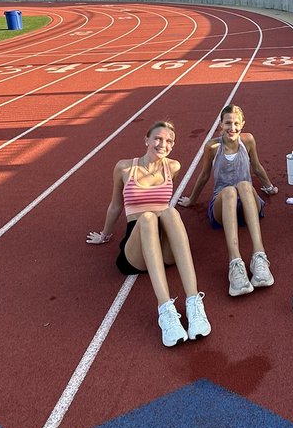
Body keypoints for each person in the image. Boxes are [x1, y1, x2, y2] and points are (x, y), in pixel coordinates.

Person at [86, 119, 210, 348]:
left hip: (163, 248)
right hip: (136, 249)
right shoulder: (124, 168)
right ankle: (166, 312)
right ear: (147, 140)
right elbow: (115, 206)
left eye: (169, 141)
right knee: (148, 218)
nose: (163, 144)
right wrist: (104, 234)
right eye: (158, 138)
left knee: (170, 213)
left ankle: (194, 304)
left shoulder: (173, 167)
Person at [178, 104, 277, 297]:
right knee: (230, 191)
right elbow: (205, 175)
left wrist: (269, 186)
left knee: (245, 185)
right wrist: (191, 200)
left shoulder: (247, 140)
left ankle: (259, 257)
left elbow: (256, 166)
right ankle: (235, 263)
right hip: (223, 206)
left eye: (236, 123)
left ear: (243, 124)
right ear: (220, 125)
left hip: (248, 204)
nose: (232, 127)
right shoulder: (213, 147)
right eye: (228, 123)